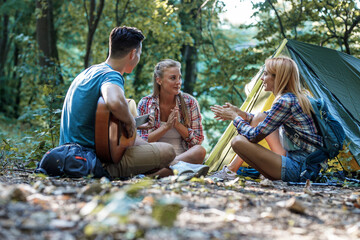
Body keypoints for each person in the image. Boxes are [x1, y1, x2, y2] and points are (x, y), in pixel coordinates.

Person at [59, 26, 176, 179]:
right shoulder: (111, 76)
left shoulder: (89, 72)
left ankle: (150, 173)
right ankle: (139, 176)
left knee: (158, 158)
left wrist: (132, 122)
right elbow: (114, 101)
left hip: (67, 156)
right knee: (169, 152)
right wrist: (129, 121)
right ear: (133, 53)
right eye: (139, 53)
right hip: (92, 162)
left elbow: (100, 124)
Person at [210, 57, 323, 182]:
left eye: (265, 74)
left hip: (299, 170)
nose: (261, 78)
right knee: (260, 117)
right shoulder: (295, 97)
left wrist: (234, 118)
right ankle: (231, 170)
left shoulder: (285, 101)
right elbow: (266, 119)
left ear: (278, 77)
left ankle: (231, 170)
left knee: (238, 142)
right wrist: (240, 113)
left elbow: (254, 136)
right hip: (305, 166)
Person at [137, 59, 208, 178]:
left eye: (179, 78)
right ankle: (181, 171)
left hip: (183, 157)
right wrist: (166, 127)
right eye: (173, 78)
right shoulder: (145, 103)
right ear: (159, 80)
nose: (178, 82)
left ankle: (156, 175)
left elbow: (197, 140)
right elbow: (141, 143)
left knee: (200, 151)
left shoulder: (190, 102)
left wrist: (177, 125)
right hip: (155, 158)